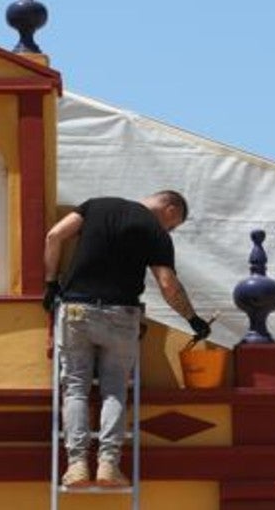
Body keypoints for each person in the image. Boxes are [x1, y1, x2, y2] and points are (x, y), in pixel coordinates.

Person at [43, 190, 212, 488]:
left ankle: (77, 465)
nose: (170, 230)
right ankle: (108, 464)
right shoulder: (156, 232)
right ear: (170, 208)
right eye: (174, 225)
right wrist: (192, 319)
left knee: (76, 389)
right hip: (121, 315)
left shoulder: (95, 204)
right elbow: (167, 284)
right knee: (114, 390)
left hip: (77, 309)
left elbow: (54, 235)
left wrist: (50, 284)